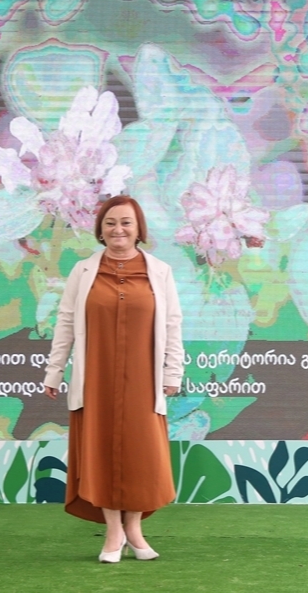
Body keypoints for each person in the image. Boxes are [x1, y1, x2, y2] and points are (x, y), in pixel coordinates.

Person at [43, 195, 184, 563]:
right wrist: (54, 371)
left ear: (138, 230)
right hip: (96, 377)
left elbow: (172, 324)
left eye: (125, 222)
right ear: (100, 230)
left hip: (144, 378)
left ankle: (133, 528)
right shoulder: (82, 272)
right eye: (110, 223)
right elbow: (65, 322)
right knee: (100, 449)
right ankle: (113, 531)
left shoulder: (160, 272)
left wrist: (173, 371)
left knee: (140, 453)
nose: (118, 229)